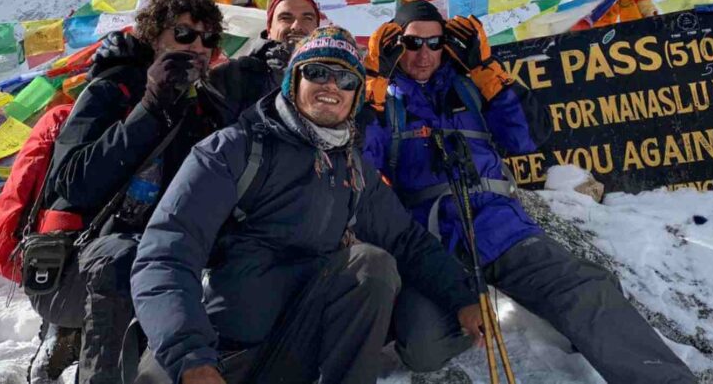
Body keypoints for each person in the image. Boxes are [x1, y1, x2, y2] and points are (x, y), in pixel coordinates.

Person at [362, 0, 698, 383]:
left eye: (435, 43)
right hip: (431, 245)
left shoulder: (471, 87)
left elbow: (527, 138)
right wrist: (373, 84)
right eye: (412, 42)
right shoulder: (379, 101)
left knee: (584, 289)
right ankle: (471, 304)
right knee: (423, 347)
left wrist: (486, 71)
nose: (424, 54)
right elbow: (362, 166)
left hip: (500, 226)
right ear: (392, 43)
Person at [131, 26, 481, 384]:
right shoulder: (234, 150)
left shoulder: (353, 167)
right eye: (317, 72)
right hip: (225, 350)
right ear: (293, 82)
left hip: (300, 347)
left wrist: (462, 297)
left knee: (371, 265)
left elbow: (405, 239)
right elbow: (166, 253)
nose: (331, 85)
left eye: (345, 78)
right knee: (157, 377)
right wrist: (190, 357)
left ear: (357, 95)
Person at [27, 0, 228, 384]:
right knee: (126, 259)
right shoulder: (111, 89)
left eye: (207, 38)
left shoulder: (205, 105)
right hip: (84, 264)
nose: (197, 46)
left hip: (172, 255)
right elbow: (75, 182)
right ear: (154, 38)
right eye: (184, 34)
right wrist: (150, 107)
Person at [208, 0, 321, 122]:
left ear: (318, 30)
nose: (297, 26)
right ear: (269, 30)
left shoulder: (340, 78)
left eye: (307, 18)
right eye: (286, 18)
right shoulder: (232, 76)